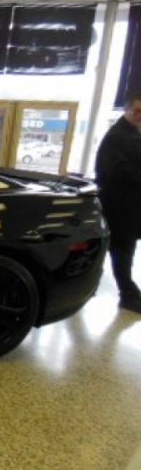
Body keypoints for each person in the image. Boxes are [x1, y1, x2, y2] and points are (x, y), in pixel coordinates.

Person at [95, 91, 141, 313]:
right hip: (119, 207)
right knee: (122, 250)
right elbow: (116, 171)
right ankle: (128, 293)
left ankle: (94, 286)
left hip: (127, 207)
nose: (140, 115)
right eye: (137, 111)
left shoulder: (131, 133)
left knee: (116, 249)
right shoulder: (118, 136)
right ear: (127, 110)